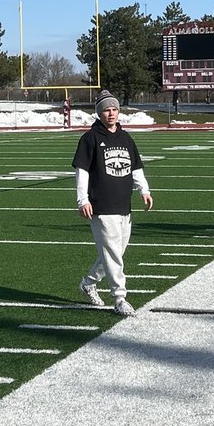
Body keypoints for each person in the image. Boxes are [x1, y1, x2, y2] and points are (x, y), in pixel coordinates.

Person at [73, 90, 153, 317]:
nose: (111, 113)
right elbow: (82, 172)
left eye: (114, 109)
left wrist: (144, 190)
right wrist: (83, 200)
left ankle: (88, 283)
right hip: (101, 205)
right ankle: (120, 298)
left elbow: (136, 167)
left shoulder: (125, 137)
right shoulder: (90, 138)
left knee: (114, 252)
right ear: (99, 113)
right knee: (113, 254)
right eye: (106, 109)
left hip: (123, 205)